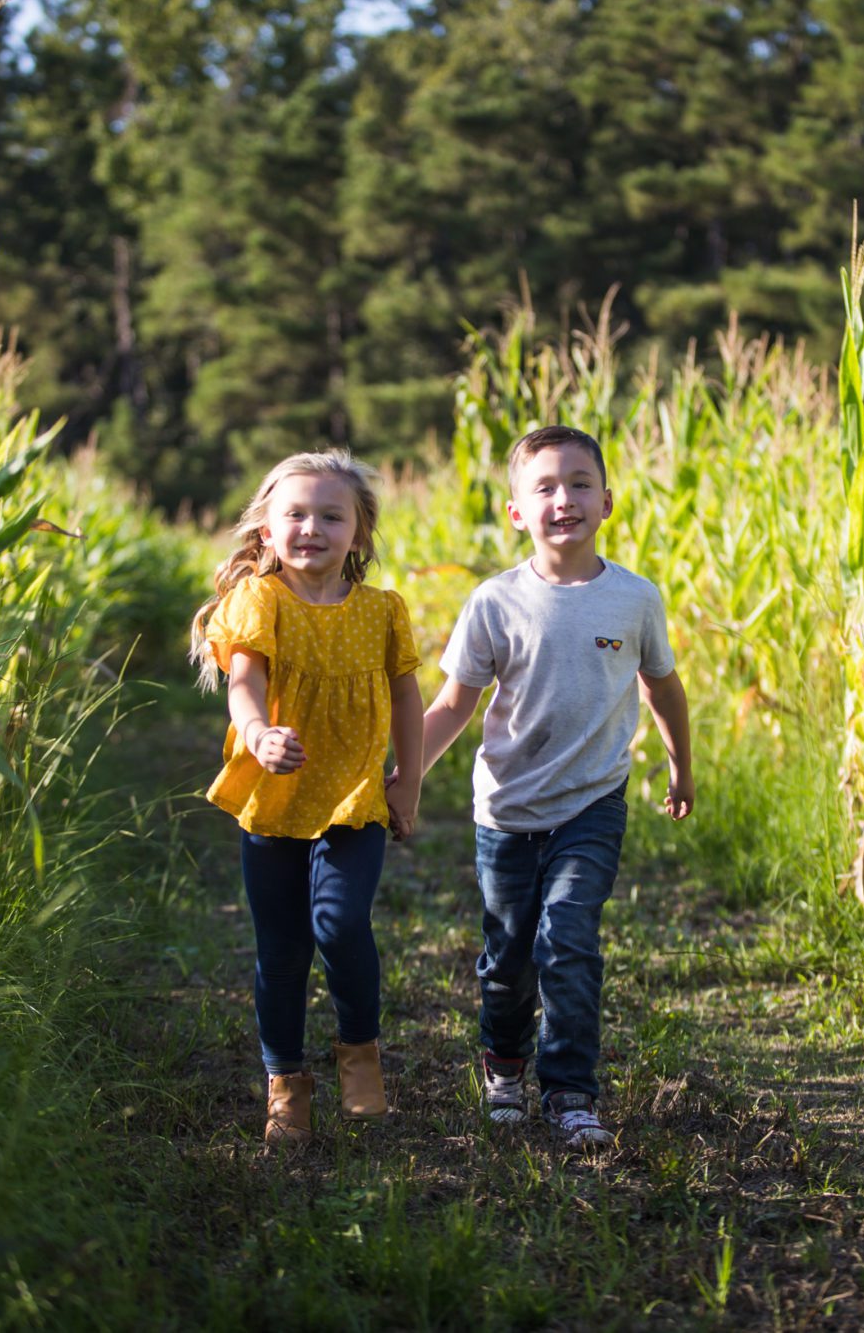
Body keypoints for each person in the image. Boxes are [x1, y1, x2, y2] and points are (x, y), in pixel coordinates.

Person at [420, 425, 693, 1151]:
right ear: (515, 512)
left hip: (592, 802)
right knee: (510, 955)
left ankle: (571, 1091)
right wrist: (402, 773)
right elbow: (453, 704)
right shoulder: (494, 601)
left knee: (567, 939)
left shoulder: (634, 599)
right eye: (543, 487)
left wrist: (680, 766)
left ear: (608, 501)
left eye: (579, 484)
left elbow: (663, 687)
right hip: (506, 809)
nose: (563, 499)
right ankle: (503, 1066)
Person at [190, 450, 425, 1149]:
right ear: (266, 532)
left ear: (359, 533)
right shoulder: (259, 602)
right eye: (294, 514)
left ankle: (361, 1053)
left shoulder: (384, 610)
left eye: (332, 515)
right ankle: (285, 1085)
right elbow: (243, 682)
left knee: (341, 922)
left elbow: (408, 696)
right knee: (283, 950)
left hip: (355, 793)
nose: (312, 527)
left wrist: (407, 779)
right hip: (277, 795)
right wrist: (257, 734)